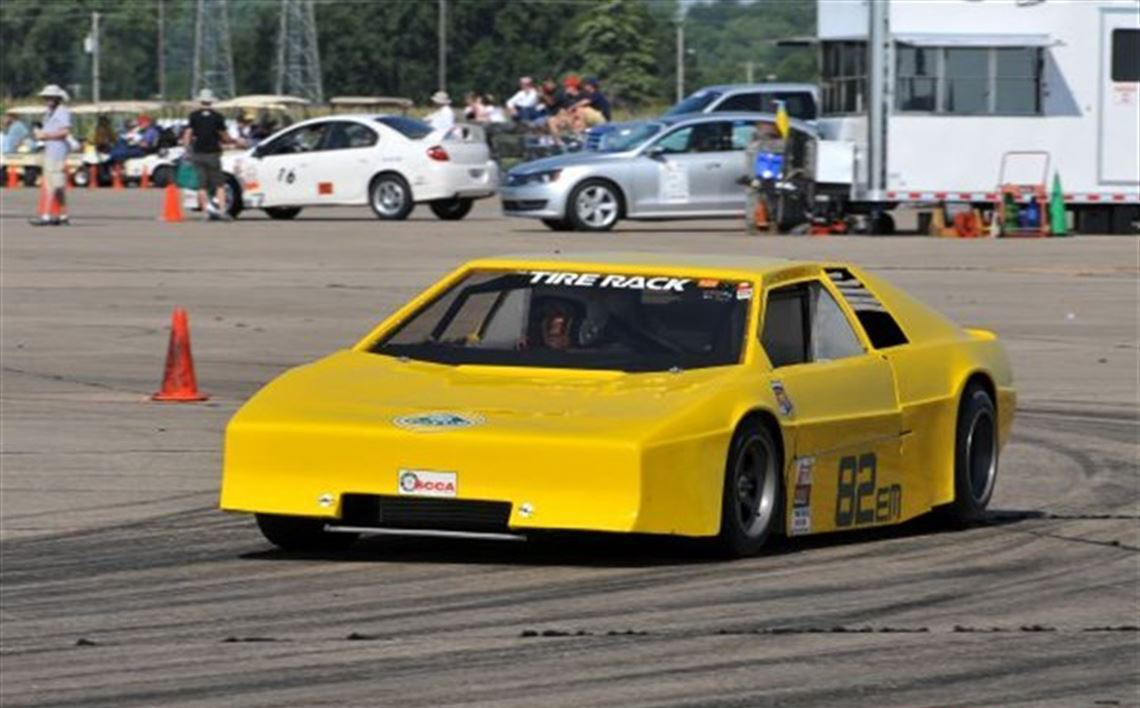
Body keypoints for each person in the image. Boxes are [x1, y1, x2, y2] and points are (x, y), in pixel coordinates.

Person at [182, 88, 233, 221]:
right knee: (219, 184)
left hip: (198, 152)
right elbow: (224, 135)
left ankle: (206, 211)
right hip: (213, 153)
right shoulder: (218, 117)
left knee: (202, 185)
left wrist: (187, 148)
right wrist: (232, 141)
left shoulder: (193, 116)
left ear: (200, 101)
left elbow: (188, 133)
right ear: (211, 102)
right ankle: (222, 211)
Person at [29, 84, 72, 227]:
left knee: (50, 184)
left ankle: (46, 216)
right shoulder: (48, 112)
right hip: (50, 150)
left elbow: (65, 132)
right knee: (57, 184)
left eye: (51, 97)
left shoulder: (62, 111)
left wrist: (46, 135)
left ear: (58, 98)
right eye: (46, 97)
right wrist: (40, 132)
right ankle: (63, 215)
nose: (48, 99)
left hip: (57, 151)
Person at [744, 121, 786, 235]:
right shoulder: (781, 145)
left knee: (756, 195)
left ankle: (754, 223)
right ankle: (771, 222)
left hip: (762, 175)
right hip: (771, 176)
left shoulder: (755, 145)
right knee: (770, 196)